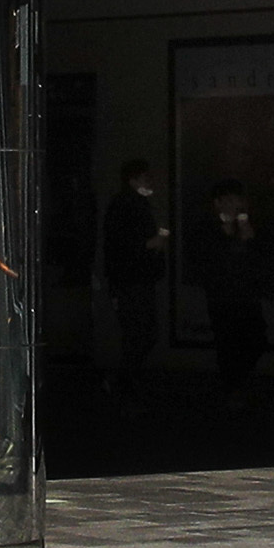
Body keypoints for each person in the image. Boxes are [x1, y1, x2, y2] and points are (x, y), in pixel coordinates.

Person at [195, 183, 274, 407]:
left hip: (246, 292)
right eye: (229, 200)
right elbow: (213, 258)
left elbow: (258, 255)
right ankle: (232, 390)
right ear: (218, 203)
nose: (235, 205)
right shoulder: (209, 226)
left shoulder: (246, 224)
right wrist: (237, 237)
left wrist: (249, 237)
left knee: (256, 339)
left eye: (237, 200)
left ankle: (236, 385)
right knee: (228, 343)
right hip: (222, 295)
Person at [97, 158, 167, 394]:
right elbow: (122, 244)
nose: (151, 181)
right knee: (141, 332)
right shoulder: (128, 205)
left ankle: (124, 381)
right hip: (131, 280)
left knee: (140, 333)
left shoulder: (133, 204)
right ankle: (124, 382)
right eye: (146, 177)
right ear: (134, 180)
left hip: (134, 278)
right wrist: (150, 244)